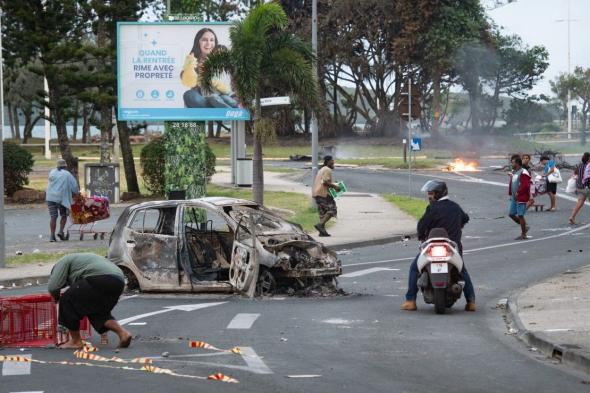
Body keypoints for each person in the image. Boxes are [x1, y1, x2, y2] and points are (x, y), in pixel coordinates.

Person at [400, 180, 476, 312]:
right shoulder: (455, 207)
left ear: (439, 194)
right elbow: (465, 219)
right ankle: (471, 302)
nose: (429, 196)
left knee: (414, 268)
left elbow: (421, 226)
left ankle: (410, 300)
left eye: (431, 193)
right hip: (452, 248)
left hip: (432, 248)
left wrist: (421, 236)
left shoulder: (432, 209)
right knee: (461, 270)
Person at [48, 252, 132, 349]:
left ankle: (76, 341)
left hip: (100, 277)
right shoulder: (80, 262)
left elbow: (53, 287)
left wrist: (57, 299)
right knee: (98, 313)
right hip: (118, 282)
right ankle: (123, 334)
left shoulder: (62, 263)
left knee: (67, 301)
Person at [180, 28, 237, 108]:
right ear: (198, 42)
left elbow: (231, 82)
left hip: (223, 96)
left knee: (224, 98)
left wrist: (233, 95)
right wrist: (191, 68)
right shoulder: (192, 60)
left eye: (212, 40)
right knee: (189, 95)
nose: (208, 43)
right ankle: (219, 109)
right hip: (206, 98)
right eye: (204, 40)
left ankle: (220, 109)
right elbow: (189, 81)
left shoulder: (223, 56)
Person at [45, 159, 79, 242]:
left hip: (50, 197)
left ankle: (52, 236)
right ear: (65, 166)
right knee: (64, 215)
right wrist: (76, 193)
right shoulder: (67, 174)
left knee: (53, 217)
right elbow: (74, 187)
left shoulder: (52, 172)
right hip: (60, 198)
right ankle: (60, 231)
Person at [312, 155, 341, 237]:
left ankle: (322, 232)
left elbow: (324, 181)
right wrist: (335, 186)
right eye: (332, 161)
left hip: (317, 193)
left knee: (323, 213)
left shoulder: (322, 169)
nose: (333, 163)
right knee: (332, 210)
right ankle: (320, 225)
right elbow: (324, 182)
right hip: (323, 194)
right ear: (328, 161)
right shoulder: (327, 169)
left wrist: (332, 184)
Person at [508, 156, 531, 240]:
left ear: (517, 163)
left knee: (520, 215)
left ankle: (523, 234)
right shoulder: (514, 172)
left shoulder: (523, 172)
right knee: (511, 214)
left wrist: (519, 192)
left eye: (513, 162)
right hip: (514, 197)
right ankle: (525, 226)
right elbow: (513, 183)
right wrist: (511, 193)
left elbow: (525, 185)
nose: (512, 164)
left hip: (521, 197)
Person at [569, 152, 590, 225]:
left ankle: (572, 216)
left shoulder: (579, 165)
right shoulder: (589, 165)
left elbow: (575, 174)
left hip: (579, 187)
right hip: (587, 187)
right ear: (588, 158)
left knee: (580, 202)